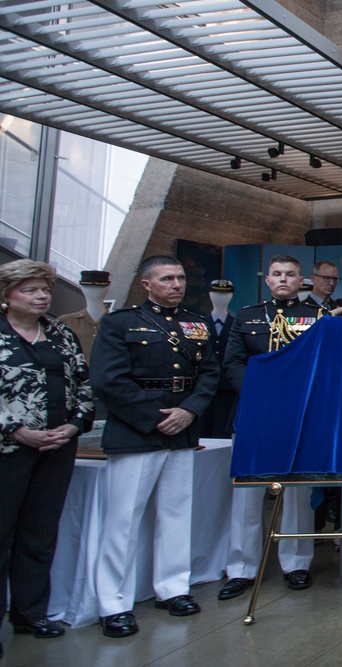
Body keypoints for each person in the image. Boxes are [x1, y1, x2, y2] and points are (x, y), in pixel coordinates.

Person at [90, 255, 220, 638]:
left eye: (180, 277)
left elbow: (208, 373)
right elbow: (108, 379)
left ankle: (173, 588)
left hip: (182, 427)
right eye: (167, 279)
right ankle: (113, 603)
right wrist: (156, 417)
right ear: (147, 284)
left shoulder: (195, 323)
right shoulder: (120, 323)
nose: (177, 285)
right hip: (137, 429)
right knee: (123, 520)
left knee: (177, 513)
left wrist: (189, 411)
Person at [218, 254, 331, 600]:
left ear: (302, 281)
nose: (283, 279)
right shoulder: (247, 317)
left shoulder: (318, 317)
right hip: (255, 412)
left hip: (301, 413)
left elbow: (325, 364)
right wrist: (257, 392)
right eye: (277, 274)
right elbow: (233, 362)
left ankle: (296, 563)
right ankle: (241, 567)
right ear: (266, 279)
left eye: (290, 274)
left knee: (297, 492)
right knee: (247, 493)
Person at [0, 260, 95, 654]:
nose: (41, 296)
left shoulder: (60, 334)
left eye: (45, 290)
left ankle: (31, 615)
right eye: (30, 290)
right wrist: (14, 429)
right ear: (6, 296)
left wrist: (74, 425)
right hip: (9, 449)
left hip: (57, 448)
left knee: (39, 534)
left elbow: (83, 386)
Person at [200, 279, 237, 438]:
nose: (221, 297)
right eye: (217, 293)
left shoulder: (236, 324)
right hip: (203, 388)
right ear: (210, 295)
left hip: (228, 388)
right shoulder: (199, 324)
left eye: (226, 293)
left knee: (224, 434)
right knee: (202, 432)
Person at [57, 269, 111, 361]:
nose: (94, 291)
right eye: (88, 287)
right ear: (82, 287)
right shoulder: (65, 321)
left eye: (100, 287)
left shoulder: (119, 322)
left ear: (107, 288)